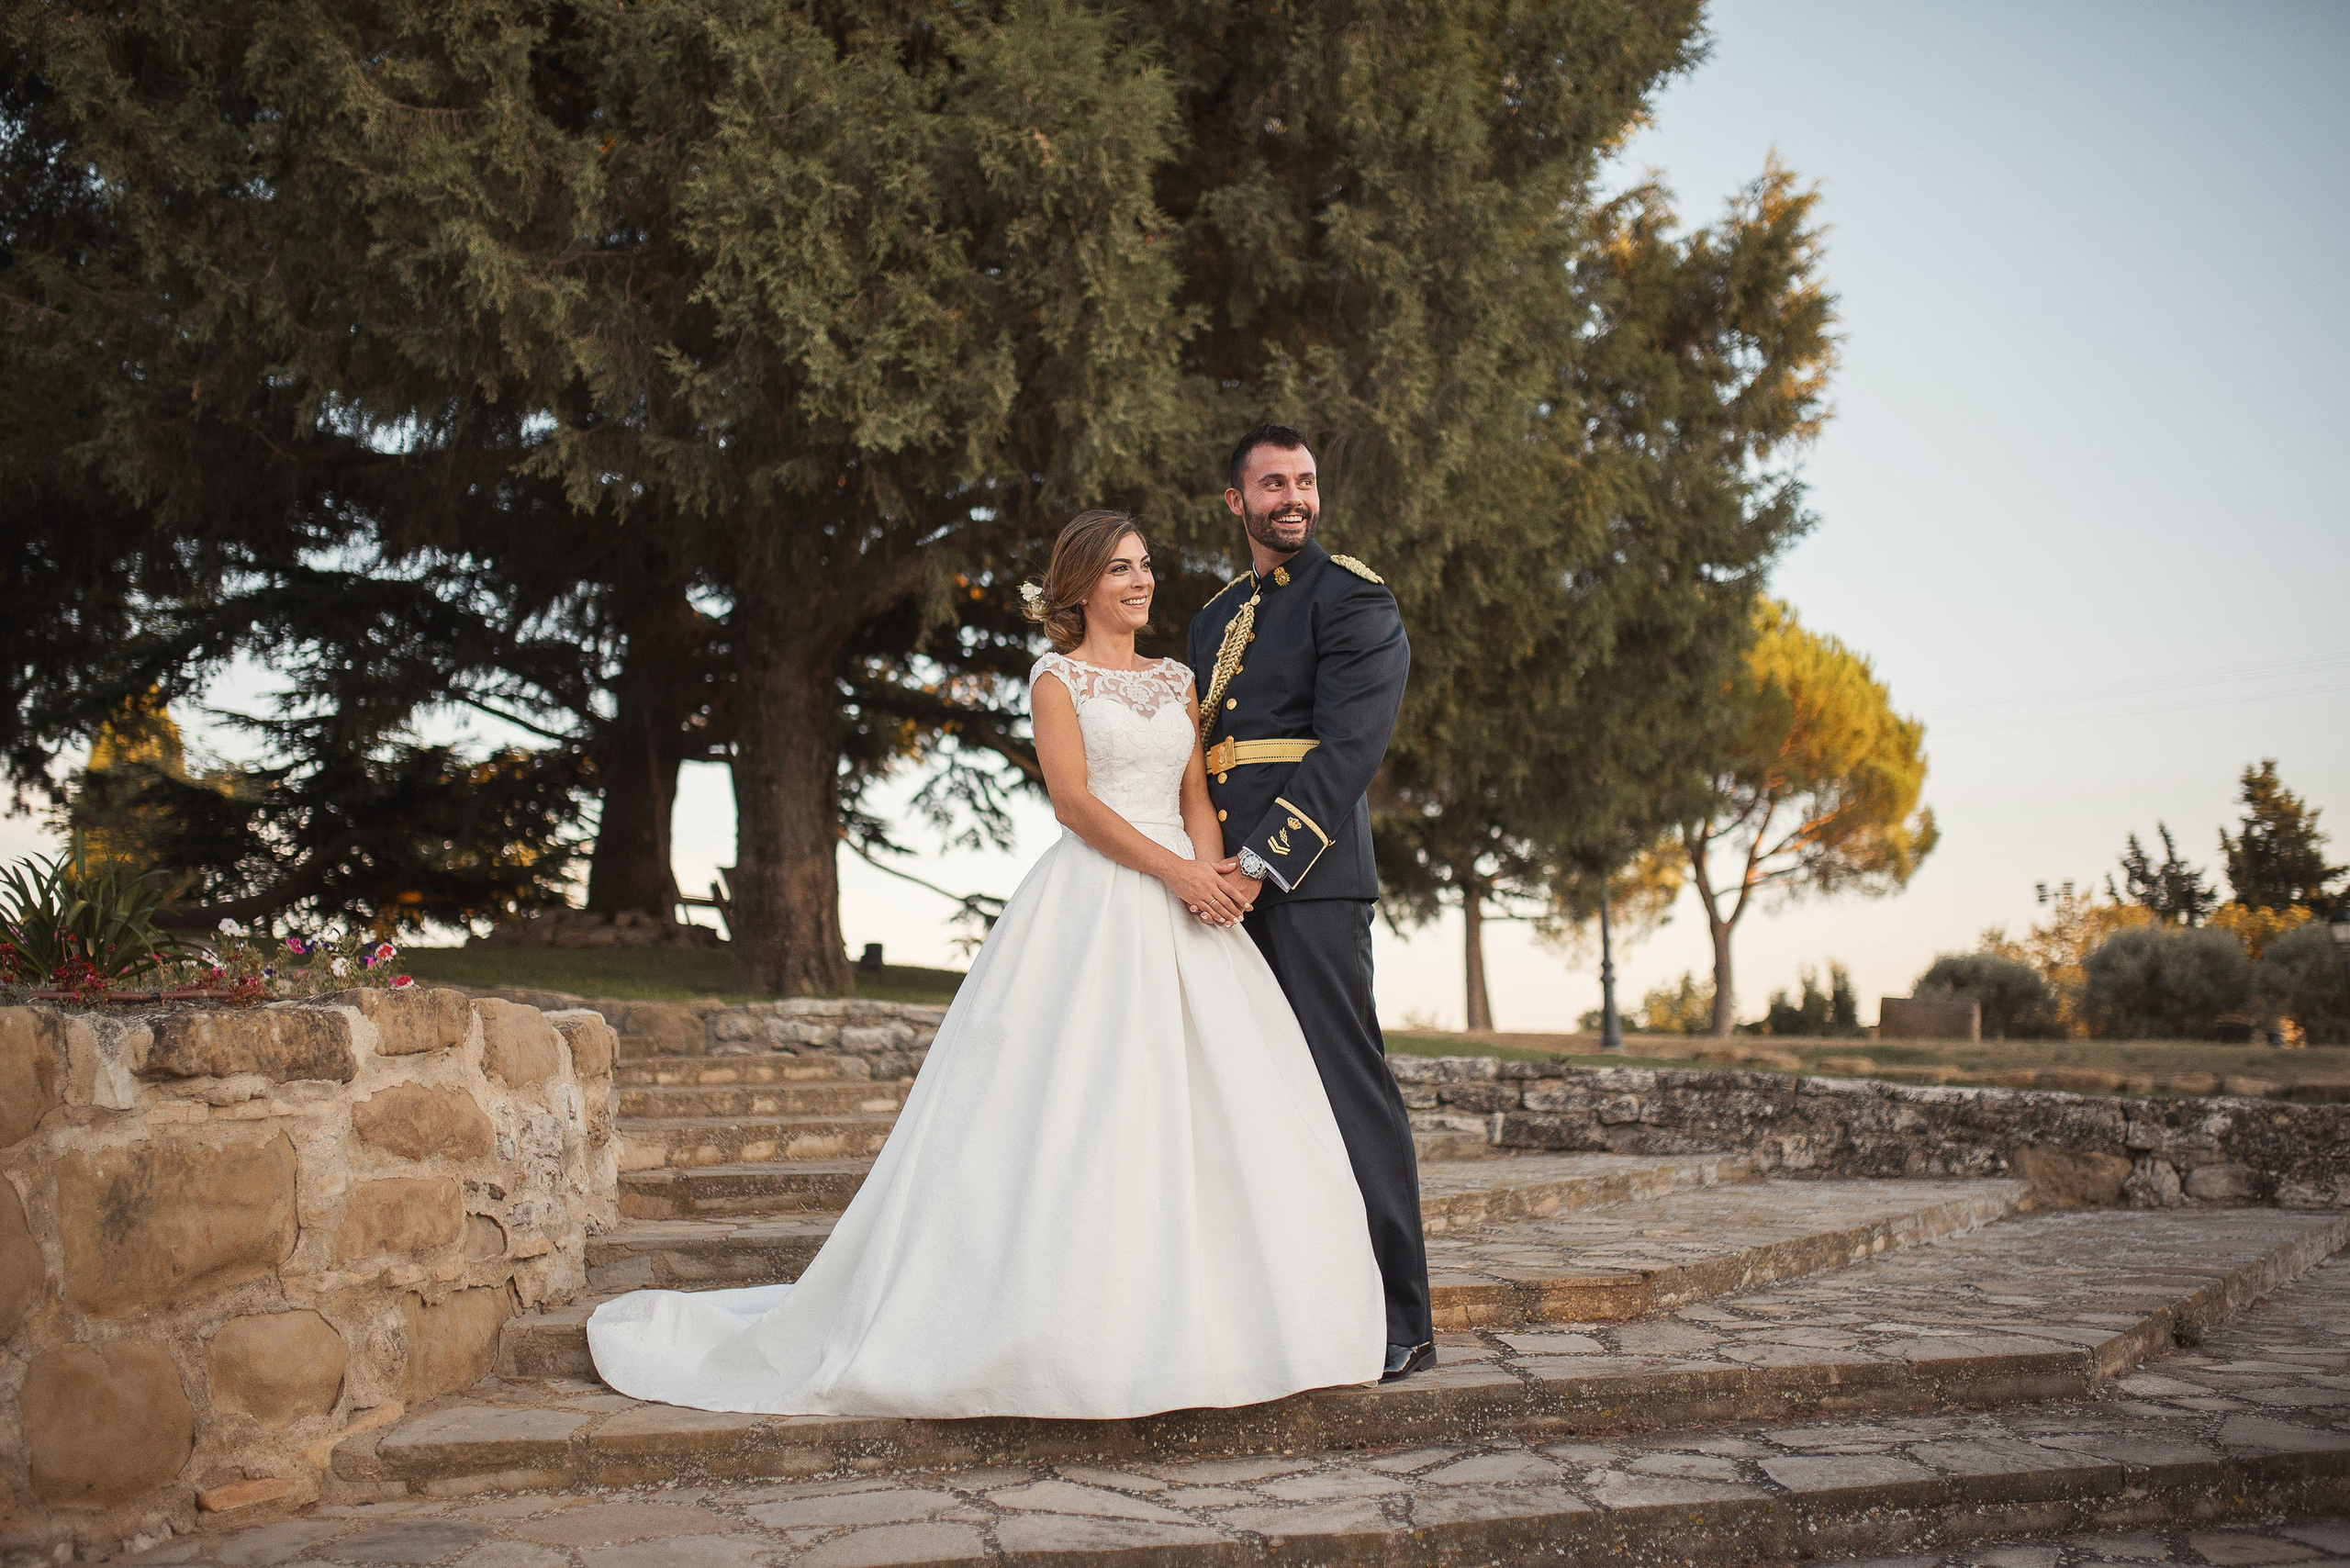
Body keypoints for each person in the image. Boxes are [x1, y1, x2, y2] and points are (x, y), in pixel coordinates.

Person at [586, 510, 1384, 1417]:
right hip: (1098, 896)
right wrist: (1171, 872)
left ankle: (1231, 1324)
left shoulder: (1178, 680)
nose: (1141, 581)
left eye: (1146, 565)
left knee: (1224, 1104)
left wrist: (1216, 878)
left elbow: (1195, 791)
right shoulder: (1056, 679)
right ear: (1079, 587)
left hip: (1191, 901)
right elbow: (1075, 806)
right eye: (1120, 569)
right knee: (1075, 1104)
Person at [1187, 423, 1435, 1383]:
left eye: (1305, 481)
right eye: (1272, 483)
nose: (1293, 497)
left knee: (1344, 1090)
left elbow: (1347, 754)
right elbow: (1203, 759)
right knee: (1248, 1100)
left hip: (1307, 884)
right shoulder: (1216, 618)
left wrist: (1258, 863)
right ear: (1235, 501)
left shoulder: (1354, 597)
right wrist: (1204, 869)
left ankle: (1400, 1317)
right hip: (1219, 891)